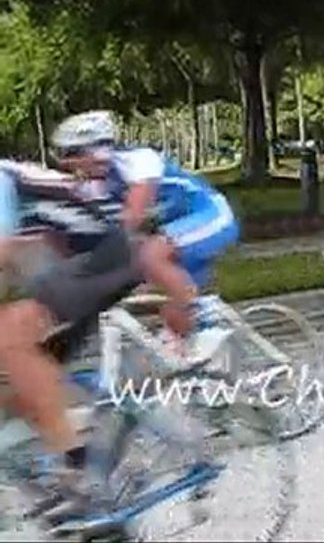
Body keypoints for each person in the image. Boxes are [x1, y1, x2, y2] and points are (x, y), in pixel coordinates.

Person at [0, 159, 143, 518]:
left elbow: (3, 251)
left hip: (103, 257)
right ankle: (90, 494)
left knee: (10, 337)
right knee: (19, 383)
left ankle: (80, 477)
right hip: (75, 267)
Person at [51, 110, 238, 365]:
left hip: (211, 216)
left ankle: (204, 323)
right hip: (177, 231)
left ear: (97, 149)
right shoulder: (97, 186)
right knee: (172, 312)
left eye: (72, 154)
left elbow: (132, 217)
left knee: (150, 254)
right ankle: (198, 371)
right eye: (63, 157)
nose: (68, 164)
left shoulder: (138, 161)